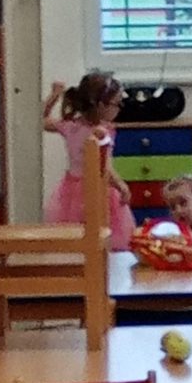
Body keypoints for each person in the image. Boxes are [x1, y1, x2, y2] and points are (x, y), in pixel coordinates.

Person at [42, 71, 135, 251]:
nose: (119, 108)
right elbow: (104, 167)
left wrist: (54, 96)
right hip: (98, 190)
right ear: (101, 105)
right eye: (117, 104)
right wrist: (121, 185)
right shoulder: (102, 131)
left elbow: (43, 121)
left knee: (75, 238)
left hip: (71, 190)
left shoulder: (70, 126)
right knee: (102, 236)